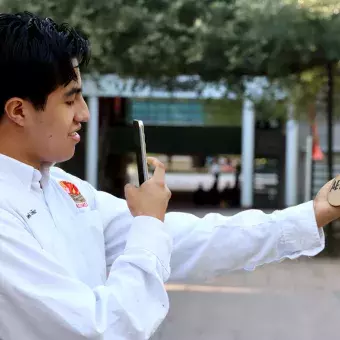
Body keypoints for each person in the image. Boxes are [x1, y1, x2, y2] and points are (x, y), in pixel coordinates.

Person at [0, 12, 337, 340]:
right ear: (18, 111)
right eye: (70, 100)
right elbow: (101, 328)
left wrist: (311, 215)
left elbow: (189, 240)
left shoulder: (65, 189)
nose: (84, 114)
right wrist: (148, 223)